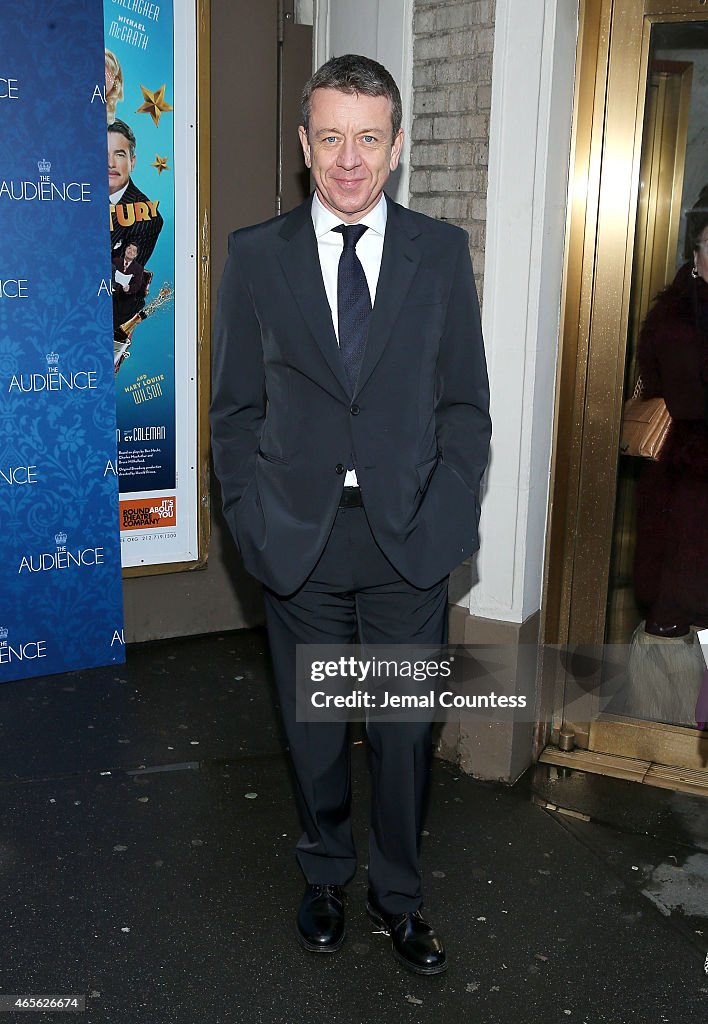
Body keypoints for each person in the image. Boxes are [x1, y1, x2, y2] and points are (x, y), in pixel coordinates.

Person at [210, 55, 491, 975]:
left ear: (398, 145)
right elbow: (236, 411)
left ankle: (399, 897)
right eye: (330, 137)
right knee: (317, 731)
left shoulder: (440, 254)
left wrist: (449, 519)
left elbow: (465, 408)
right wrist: (254, 525)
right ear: (303, 143)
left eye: (369, 138)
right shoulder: (257, 254)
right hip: (301, 538)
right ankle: (326, 874)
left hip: (410, 538)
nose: (349, 159)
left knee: (407, 736)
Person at [634, 214, 708, 636]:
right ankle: (673, 702)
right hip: (687, 484)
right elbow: (687, 397)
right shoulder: (677, 315)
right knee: (684, 612)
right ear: (694, 256)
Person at [108, 119, 163, 267]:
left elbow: (122, 276)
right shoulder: (75, 199)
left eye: (119, 154)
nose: (110, 163)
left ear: (132, 162)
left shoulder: (149, 218)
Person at [111, 242, 144, 328]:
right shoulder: (115, 261)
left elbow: (137, 285)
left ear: (136, 255)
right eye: (129, 248)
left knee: (125, 305)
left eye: (134, 251)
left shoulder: (138, 268)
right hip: (111, 290)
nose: (130, 251)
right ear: (125, 249)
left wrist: (129, 288)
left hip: (124, 295)